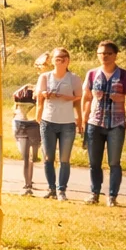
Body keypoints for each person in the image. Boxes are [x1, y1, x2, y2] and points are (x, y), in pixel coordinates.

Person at [81, 40, 126, 207]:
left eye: (108, 53)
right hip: (95, 123)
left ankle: (112, 196)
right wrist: (84, 119)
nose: (104, 56)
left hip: (116, 123)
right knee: (94, 162)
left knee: (114, 162)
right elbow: (86, 98)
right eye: (101, 53)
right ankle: (94, 193)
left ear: (115, 55)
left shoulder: (124, 76)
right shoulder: (92, 74)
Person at [36, 47, 80, 200]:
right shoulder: (45, 77)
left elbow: (79, 96)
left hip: (67, 123)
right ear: (52, 60)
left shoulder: (73, 78)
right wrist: (45, 94)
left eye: (63, 58)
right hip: (48, 121)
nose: (60, 61)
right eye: (57, 58)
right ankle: (51, 189)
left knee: (65, 158)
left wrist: (67, 97)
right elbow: (39, 95)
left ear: (68, 60)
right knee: (48, 157)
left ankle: (62, 190)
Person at [11, 54, 46, 197]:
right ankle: (27, 185)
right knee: (27, 156)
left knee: (28, 156)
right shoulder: (27, 90)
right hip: (23, 125)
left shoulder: (36, 89)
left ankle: (28, 184)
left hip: (31, 125)